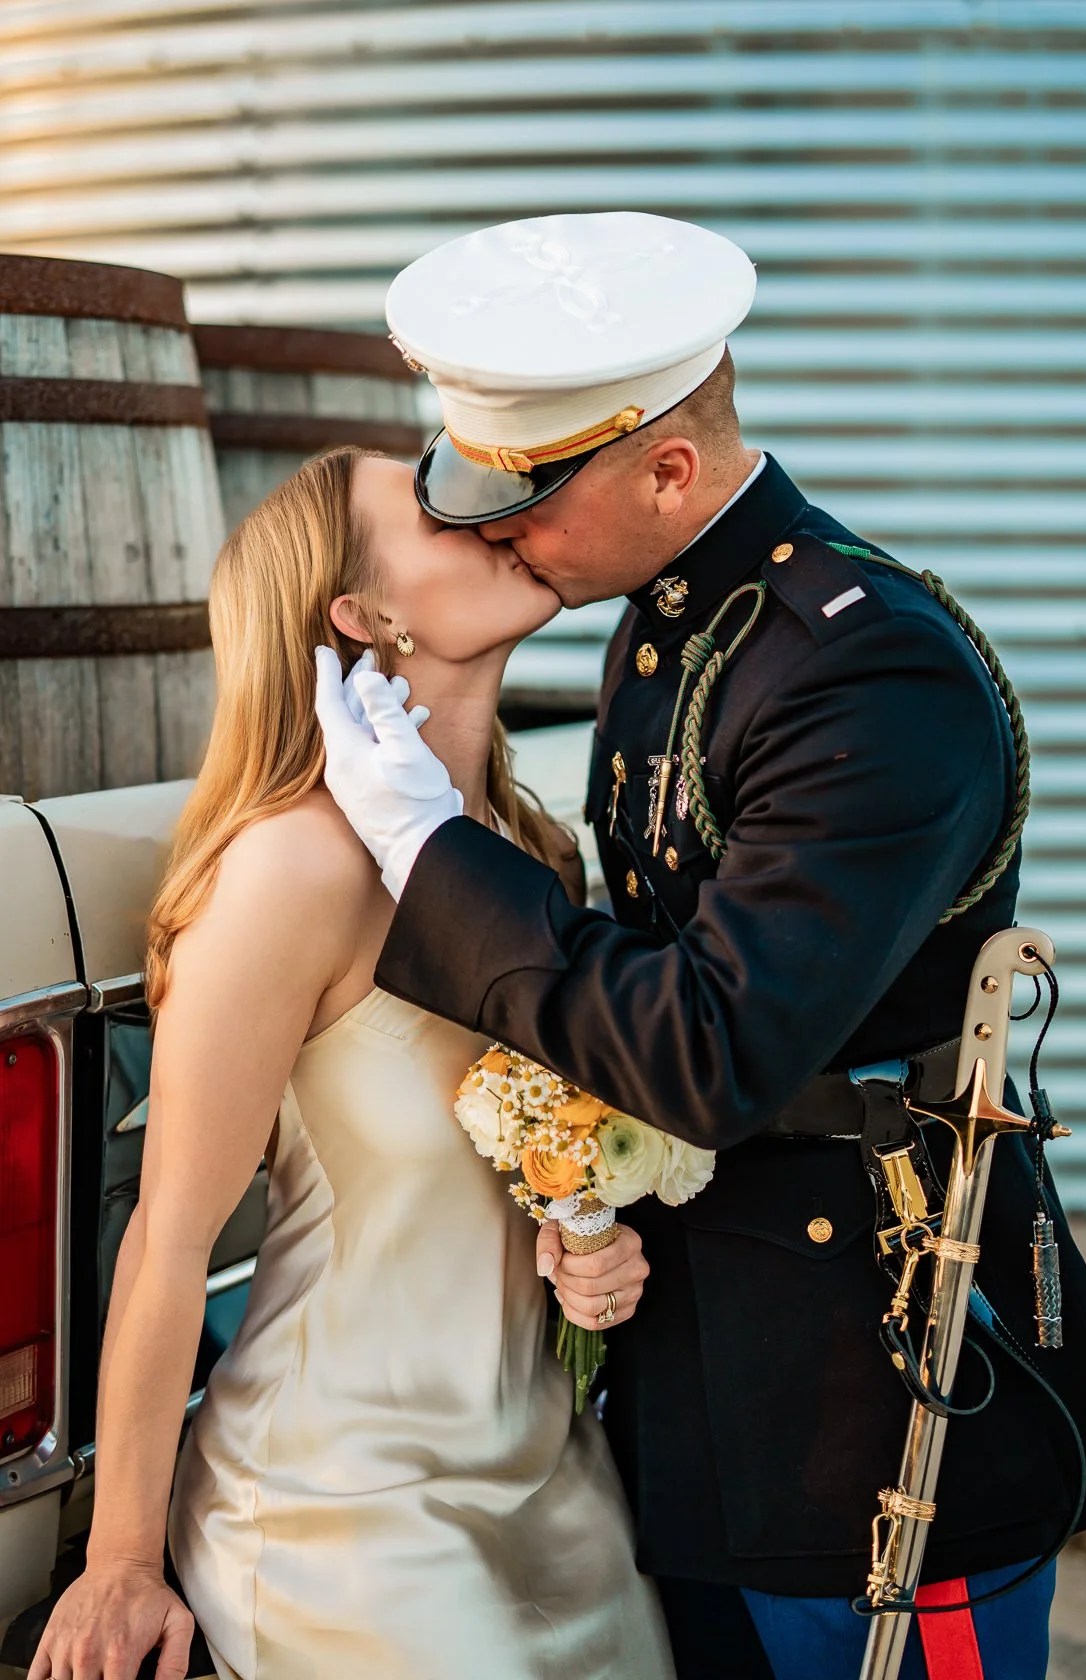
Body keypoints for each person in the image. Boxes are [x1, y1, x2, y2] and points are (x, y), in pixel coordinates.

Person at [315, 211, 1086, 1680]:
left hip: (873, 1409)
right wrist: (586, 1199)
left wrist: (431, 846)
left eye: (525, 501)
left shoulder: (866, 670)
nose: (490, 531)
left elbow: (708, 1044)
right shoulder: (677, 624)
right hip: (706, 1375)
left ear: (667, 468)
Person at [29, 447, 673, 1680]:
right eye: (434, 512)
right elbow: (167, 1242)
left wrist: (586, 1234)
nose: (492, 514)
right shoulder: (293, 870)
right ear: (364, 617)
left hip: (555, 1484)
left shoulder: (533, 857)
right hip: (344, 1504)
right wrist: (121, 1561)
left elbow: (528, 1157)